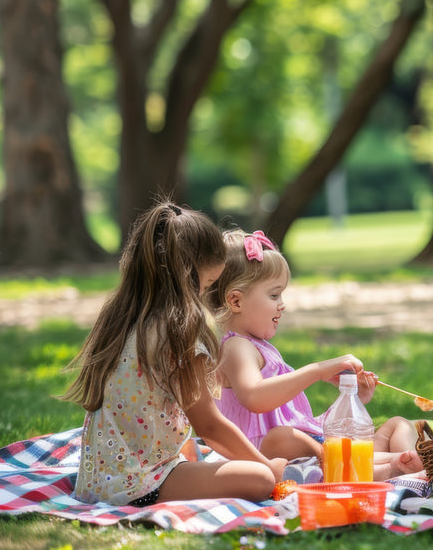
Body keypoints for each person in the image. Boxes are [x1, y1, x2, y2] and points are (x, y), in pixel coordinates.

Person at [62, 202, 286, 506]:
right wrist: (267, 466)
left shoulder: (125, 315)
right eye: (207, 285)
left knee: (203, 457)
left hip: (97, 479)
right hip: (139, 484)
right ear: (188, 276)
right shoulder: (180, 331)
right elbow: (210, 426)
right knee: (258, 479)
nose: (206, 297)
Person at [207, 229, 422, 480]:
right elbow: (255, 398)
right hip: (265, 454)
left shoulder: (260, 347)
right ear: (236, 301)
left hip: (309, 449)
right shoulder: (236, 347)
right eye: (274, 295)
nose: (282, 304)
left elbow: (301, 424)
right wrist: (317, 370)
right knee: (283, 438)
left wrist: (352, 399)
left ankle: (401, 464)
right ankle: (391, 467)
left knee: (397, 424)